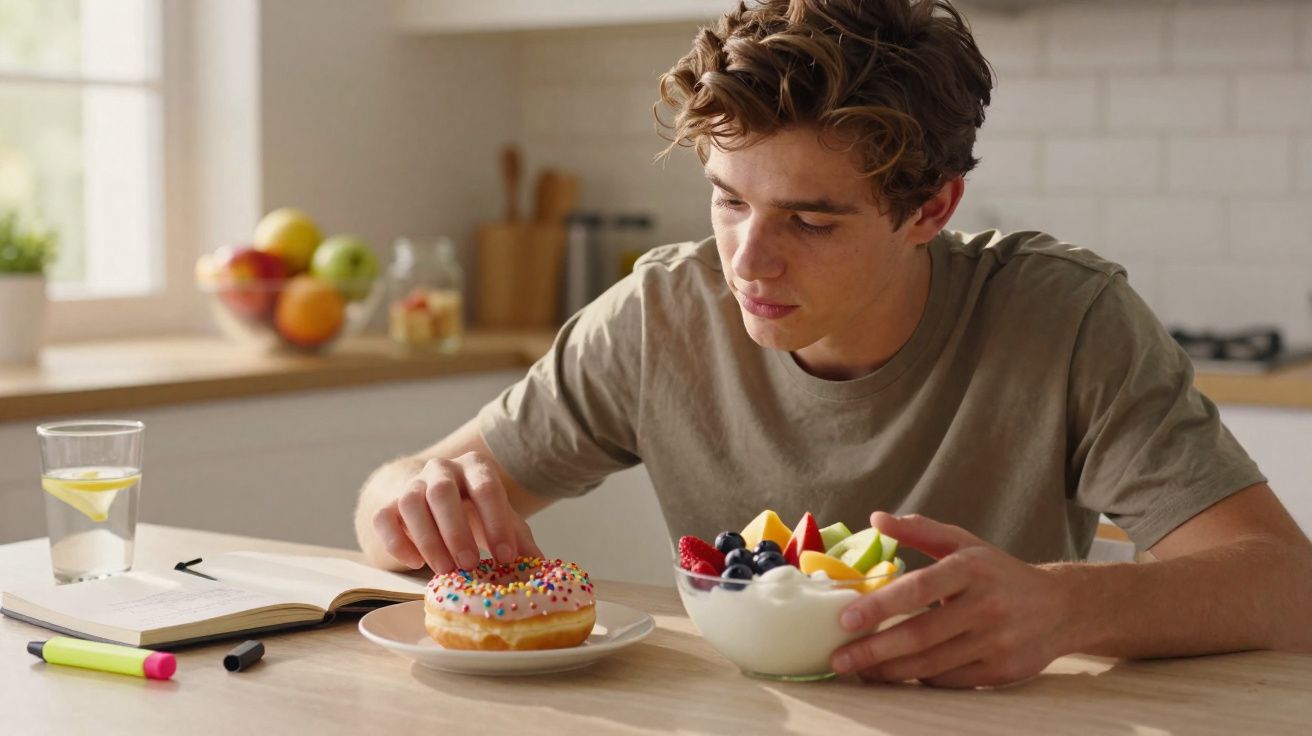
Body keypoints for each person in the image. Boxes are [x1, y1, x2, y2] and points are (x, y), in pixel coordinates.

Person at [354, 0, 1312, 687]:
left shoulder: (1066, 321)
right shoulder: (658, 315)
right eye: (729, 200)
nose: (749, 262)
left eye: (811, 221)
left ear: (930, 208)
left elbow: (1286, 587)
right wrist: (412, 499)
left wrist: (1068, 605)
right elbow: (388, 505)